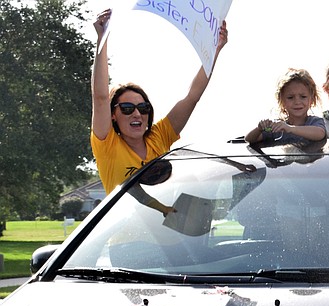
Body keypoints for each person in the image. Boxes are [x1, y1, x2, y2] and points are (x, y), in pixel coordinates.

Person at [90, 8, 228, 193]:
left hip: (169, 221)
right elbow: (100, 98)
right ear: (113, 115)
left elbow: (192, 97)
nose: (137, 113)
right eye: (127, 108)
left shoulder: (160, 136)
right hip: (130, 223)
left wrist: (215, 49)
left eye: (143, 107)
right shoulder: (108, 145)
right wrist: (102, 38)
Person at [245, 69, 328, 146]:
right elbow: (249, 139)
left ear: (312, 99)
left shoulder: (315, 122)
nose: (297, 102)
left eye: (303, 97)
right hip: (287, 161)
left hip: (310, 162)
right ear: (282, 101)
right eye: (290, 97)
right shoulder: (278, 127)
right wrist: (259, 128)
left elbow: (320, 133)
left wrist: (290, 129)